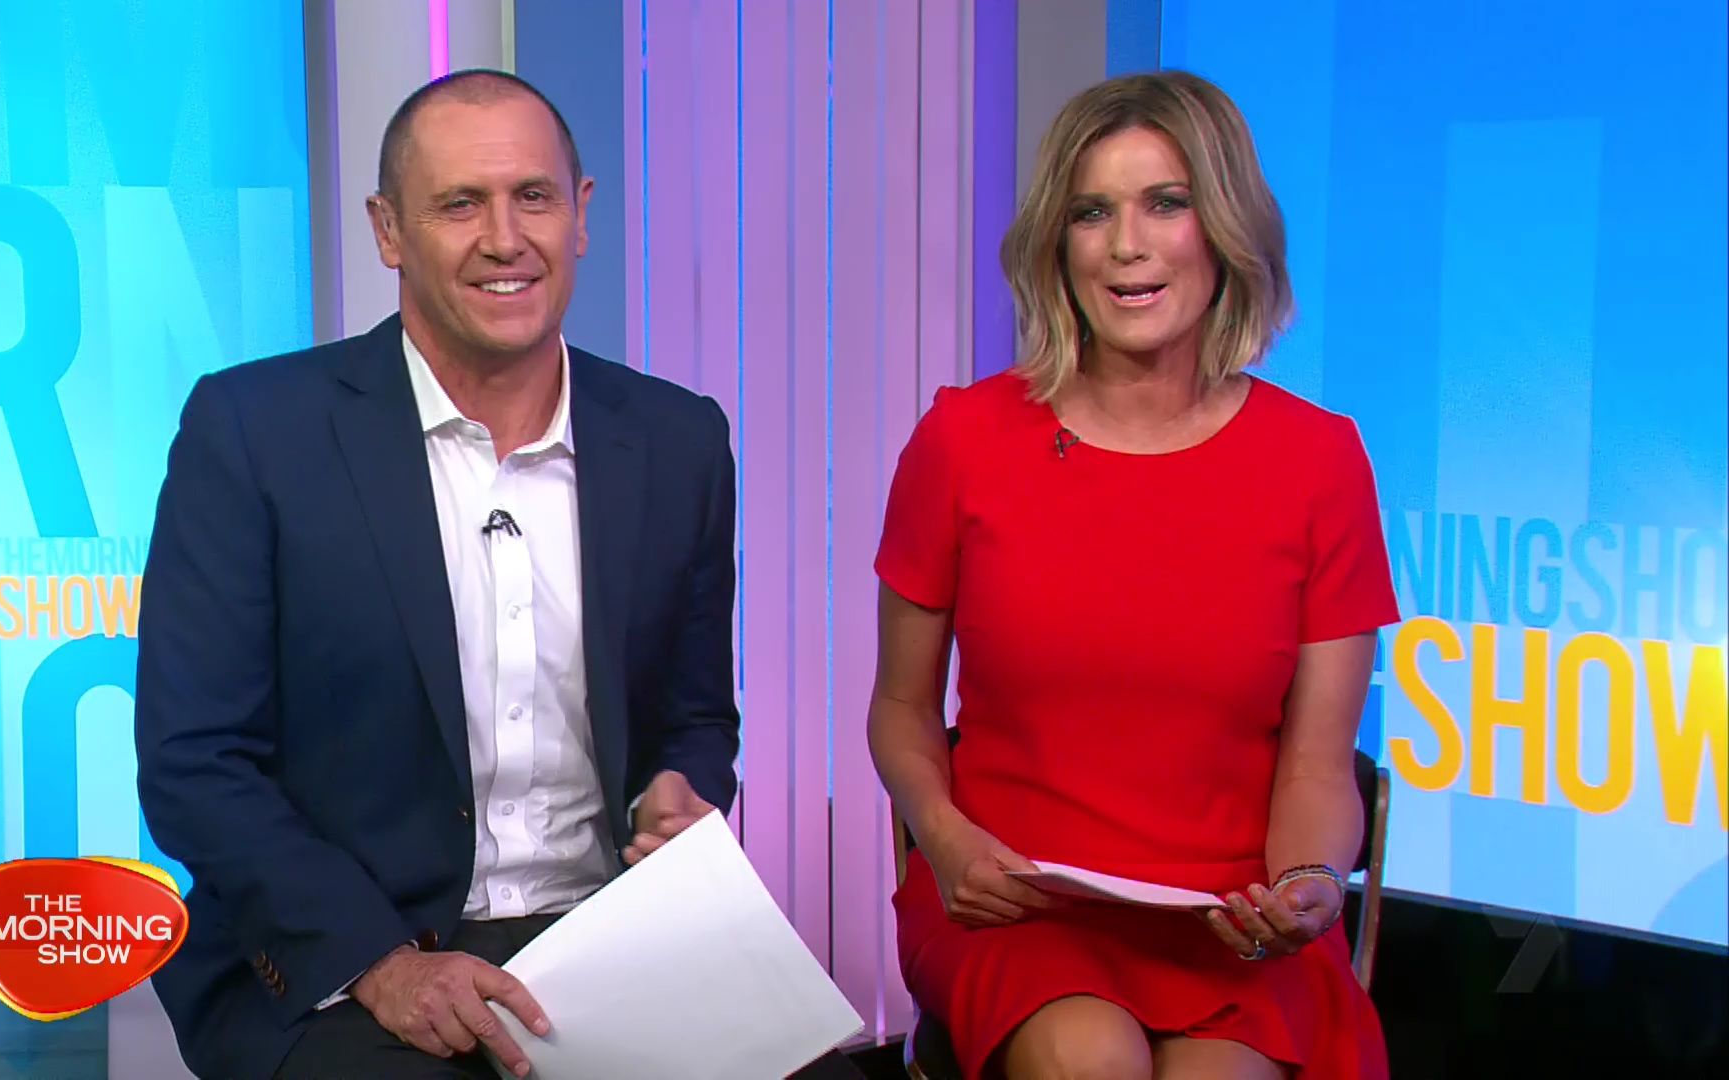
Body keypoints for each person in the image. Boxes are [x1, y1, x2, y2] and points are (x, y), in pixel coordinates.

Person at [135, 70, 751, 1079]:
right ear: (388, 231)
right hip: (351, 959)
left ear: (581, 214)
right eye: (460, 204)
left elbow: (696, 717)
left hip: (606, 944)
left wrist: (677, 794)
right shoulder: (253, 433)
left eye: (533, 197)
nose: (505, 239)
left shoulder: (679, 439)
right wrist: (383, 966)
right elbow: (195, 763)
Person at [868, 71, 1397, 1080]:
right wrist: (942, 837)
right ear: (1057, 244)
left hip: (1228, 912)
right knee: (1089, 1060)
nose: (1126, 246)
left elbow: (1318, 765)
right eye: (1092, 213)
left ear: (1224, 227)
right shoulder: (962, 441)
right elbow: (900, 709)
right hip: (1019, 899)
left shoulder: (1319, 461)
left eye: (1166, 203)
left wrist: (1311, 884)